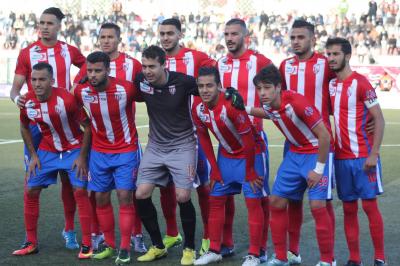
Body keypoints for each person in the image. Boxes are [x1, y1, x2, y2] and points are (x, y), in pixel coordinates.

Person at [232, 64, 334, 266]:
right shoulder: (270, 104)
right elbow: (269, 113)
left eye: (267, 87)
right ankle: (281, 257)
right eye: (259, 89)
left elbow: (325, 136)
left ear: (278, 87)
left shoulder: (296, 101)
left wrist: (319, 169)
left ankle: (327, 261)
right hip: (295, 154)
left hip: (316, 153)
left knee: (318, 206)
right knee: (276, 202)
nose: (263, 93)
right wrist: (244, 108)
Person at [9, 7, 86, 250]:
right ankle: (30, 239)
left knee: (69, 179)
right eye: (41, 23)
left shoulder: (68, 50)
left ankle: (70, 231)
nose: (44, 27)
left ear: (60, 26)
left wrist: (77, 85)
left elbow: (87, 65)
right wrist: (16, 99)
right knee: (31, 180)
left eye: (50, 23)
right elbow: (15, 88)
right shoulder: (27, 53)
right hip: (37, 123)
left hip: (65, 117)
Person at [73, 22, 146, 253]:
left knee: (128, 194)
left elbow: (147, 93)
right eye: (102, 36)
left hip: (126, 143)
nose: (106, 40)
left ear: (118, 39)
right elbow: (73, 102)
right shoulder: (82, 87)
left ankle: (134, 238)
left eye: (110, 37)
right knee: (99, 196)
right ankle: (104, 240)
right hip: (99, 148)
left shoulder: (131, 69)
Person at [12, 63, 92, 259]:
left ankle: (87, 244)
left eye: (42, 79)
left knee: (80, 191)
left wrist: (82, 156)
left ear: (52, 81)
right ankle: (31, 242)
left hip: (74, 148)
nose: (37, 84)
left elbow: (88, 127)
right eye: (34, 80)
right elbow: (23, 127)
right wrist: (33, 156)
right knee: (30, 189)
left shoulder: (67, 99)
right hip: (47, 150)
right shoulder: (28, 100)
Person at [192, 67, 266, 266]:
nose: (205, 90)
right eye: (201, 86)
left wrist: (250, 170)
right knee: (215, 199)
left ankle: (254, 254)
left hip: (251, 154)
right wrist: (214, 168)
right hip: (226, 156)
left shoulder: (231, 105)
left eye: (209, 85)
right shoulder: (197, 108)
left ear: (219, 86)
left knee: (253, 202)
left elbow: (249, 140)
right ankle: (215, 249)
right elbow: (204, 138)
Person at [278, 19, 336, 265]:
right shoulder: (285, 66)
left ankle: (328, 259)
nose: (295, 42)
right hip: (292, 144)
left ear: (313, 39)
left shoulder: (326, 63)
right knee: (292, 199)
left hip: (319, 144)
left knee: (321, 203)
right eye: (292, 37)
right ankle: (293, 252)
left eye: (301, 37)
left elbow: (341, 91)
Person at [134, 45, 198, 265]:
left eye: (152, 66)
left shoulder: (184, 81)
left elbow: (210, 91)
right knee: (141, 194)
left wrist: (228, 93)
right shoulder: (140, 81)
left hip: (183, 146)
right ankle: (157, 246)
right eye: (144, 66)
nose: (147, 71)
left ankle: (189, 248)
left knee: (183, 197)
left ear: (164, 65)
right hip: (155, 146)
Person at [326, 37, 386, 266]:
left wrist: (374, 153)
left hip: (363, 157)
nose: (331, 58)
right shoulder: (331, 85)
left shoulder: (361, 83)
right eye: (328, 54)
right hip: (341, 159)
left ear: (347, 56)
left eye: (335, 54)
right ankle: (355, 259)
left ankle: (380, 257)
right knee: (349, 209)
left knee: (370, 206)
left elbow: (379, 119)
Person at [158, 17, 216, 255]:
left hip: (192, 135)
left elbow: (216, 76)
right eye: (162, 33)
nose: (165, 37)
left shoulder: (197, 57)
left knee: (202, 187)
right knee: (165, 186)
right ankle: (172, 233)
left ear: (180, 34)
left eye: (170, 33)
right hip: (163, 136)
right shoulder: (155, 60)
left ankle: (209, 236)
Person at [217, 18, 271, 262]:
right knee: (223, 195)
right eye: (226, 33)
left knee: (258, 196)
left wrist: (249, 109)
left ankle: (259, 249)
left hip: (255, 141)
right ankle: (225, 244)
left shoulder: (260, 62)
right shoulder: (220, 63)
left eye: (234, 34)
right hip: (227, 144)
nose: (229, 38)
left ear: (245, 36)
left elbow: (277, 101)